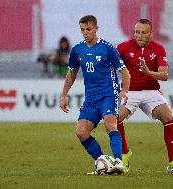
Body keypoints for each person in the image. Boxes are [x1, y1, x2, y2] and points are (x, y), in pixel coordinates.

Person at [59, 15, 130, 175]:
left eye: (88, 29)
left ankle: (118, 161)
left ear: (96, 29)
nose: (85, 33)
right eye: (82, 30)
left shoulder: (107, 48)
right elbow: (72, 73)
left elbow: (124, 72)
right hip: (91, 98)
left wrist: (124, 90)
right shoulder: (77, 50)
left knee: (110, 124)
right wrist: (64, 95)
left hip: (108, 94)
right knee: (81, 132)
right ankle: (103, 162)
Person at [116, 18, 173, 174]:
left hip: (151, 92)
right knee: (114, 118)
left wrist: (148, 72)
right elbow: (110, 62)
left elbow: (164, 75)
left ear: (151, 34)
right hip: (131, 91)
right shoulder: (123, 47)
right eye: (137, 32)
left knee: (168, 116)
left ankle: (172, 162)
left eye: (143, 33)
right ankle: (125, 154)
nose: (139, 36)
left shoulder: (158, 48)